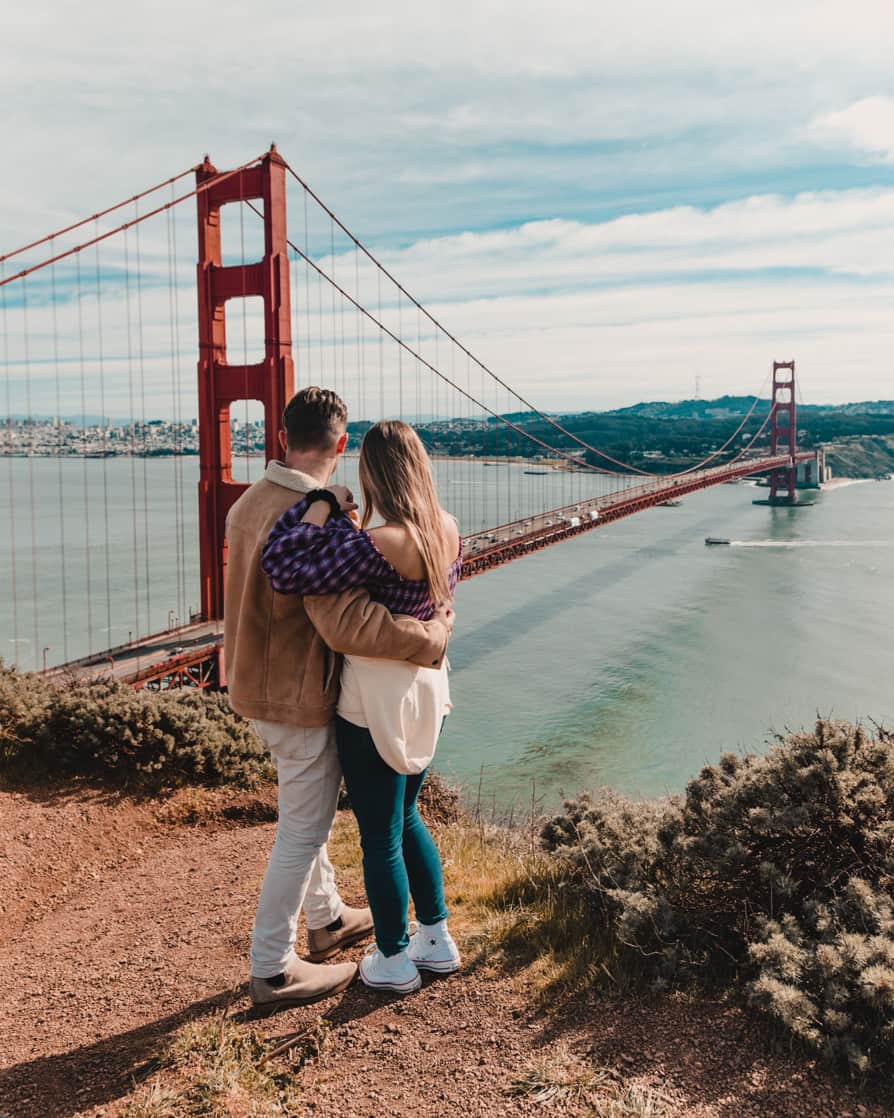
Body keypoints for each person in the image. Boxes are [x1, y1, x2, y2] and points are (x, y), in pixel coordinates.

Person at [225, 389, 454, 1012]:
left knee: (314, 815)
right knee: (308, 828)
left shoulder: (247, 503)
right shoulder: (314, 514)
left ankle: (327, 919)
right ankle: (272, 968)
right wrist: (433, 637)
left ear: (280, 437)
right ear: (340, 444)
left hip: (253, 684)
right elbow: (350, 624)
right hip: (303, 694)